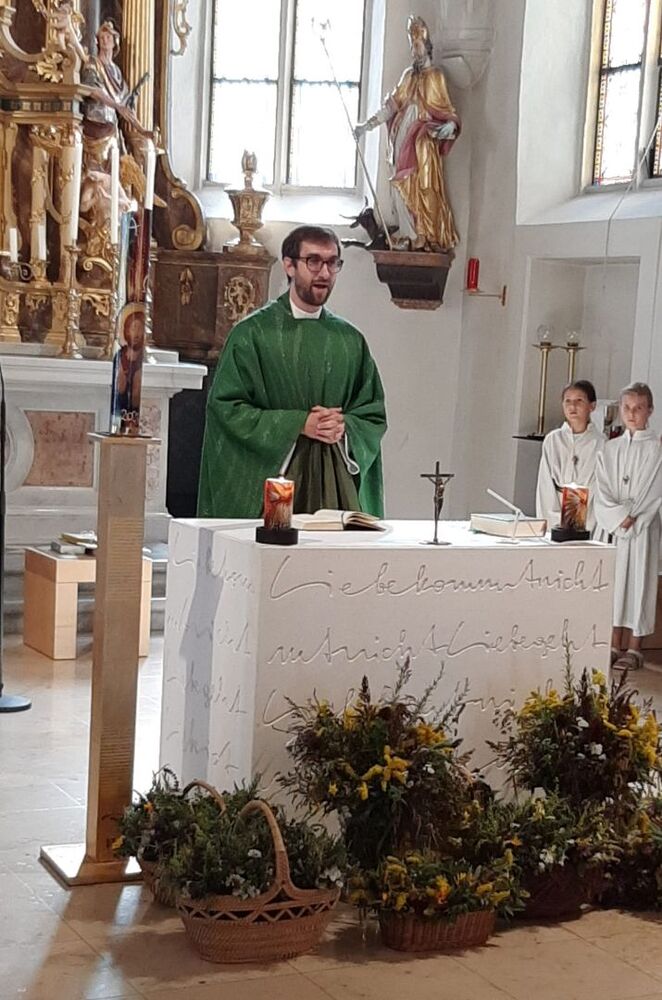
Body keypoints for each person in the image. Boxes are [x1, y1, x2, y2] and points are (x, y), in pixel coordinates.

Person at [197, 225, 387, 518]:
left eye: (332, 262)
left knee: (333, 547)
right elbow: (226, 409)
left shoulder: (350, 341)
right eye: (313, 261)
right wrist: (297, 423)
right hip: (276, 483)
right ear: (289, 265)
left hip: (334, 482)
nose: (324, 273)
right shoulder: (252, 335)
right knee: (277, 545)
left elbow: (371, 414)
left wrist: (344, 426)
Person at [354, 15, 460, 250]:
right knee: (401, 185)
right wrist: (366, 126)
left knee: (424, 186)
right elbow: (391, 106)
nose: (414, 52)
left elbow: (447, 110)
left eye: (417, 45)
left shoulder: (436, 77)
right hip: (402, 139)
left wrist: (450, 126)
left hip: (424, 143)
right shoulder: (408, 76)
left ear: (427, 46)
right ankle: (409, 234)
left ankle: (426, 234)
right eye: (412, 46)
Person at [595, 382, 662, 671]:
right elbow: (602, 487)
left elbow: (655, 489)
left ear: (650, 410)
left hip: (642, 528)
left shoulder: (657, 449)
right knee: (614, 584)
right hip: (615, 528)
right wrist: (617, 517)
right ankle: (612, 644)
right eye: (627, 408)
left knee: (639, 583)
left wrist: (634, 518)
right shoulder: (609, 448)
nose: (632, 414)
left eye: (638, 408)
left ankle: (635, 648)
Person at [536, 380, 603, 533]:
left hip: (589, 518)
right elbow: (545, 485)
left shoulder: (601, 444)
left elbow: (599, 488)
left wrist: (584, 522)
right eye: (568, 401)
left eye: (579, 401)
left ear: (592, 406)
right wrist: (552, 521)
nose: (572, 406)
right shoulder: (553, 440)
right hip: (555, 514)